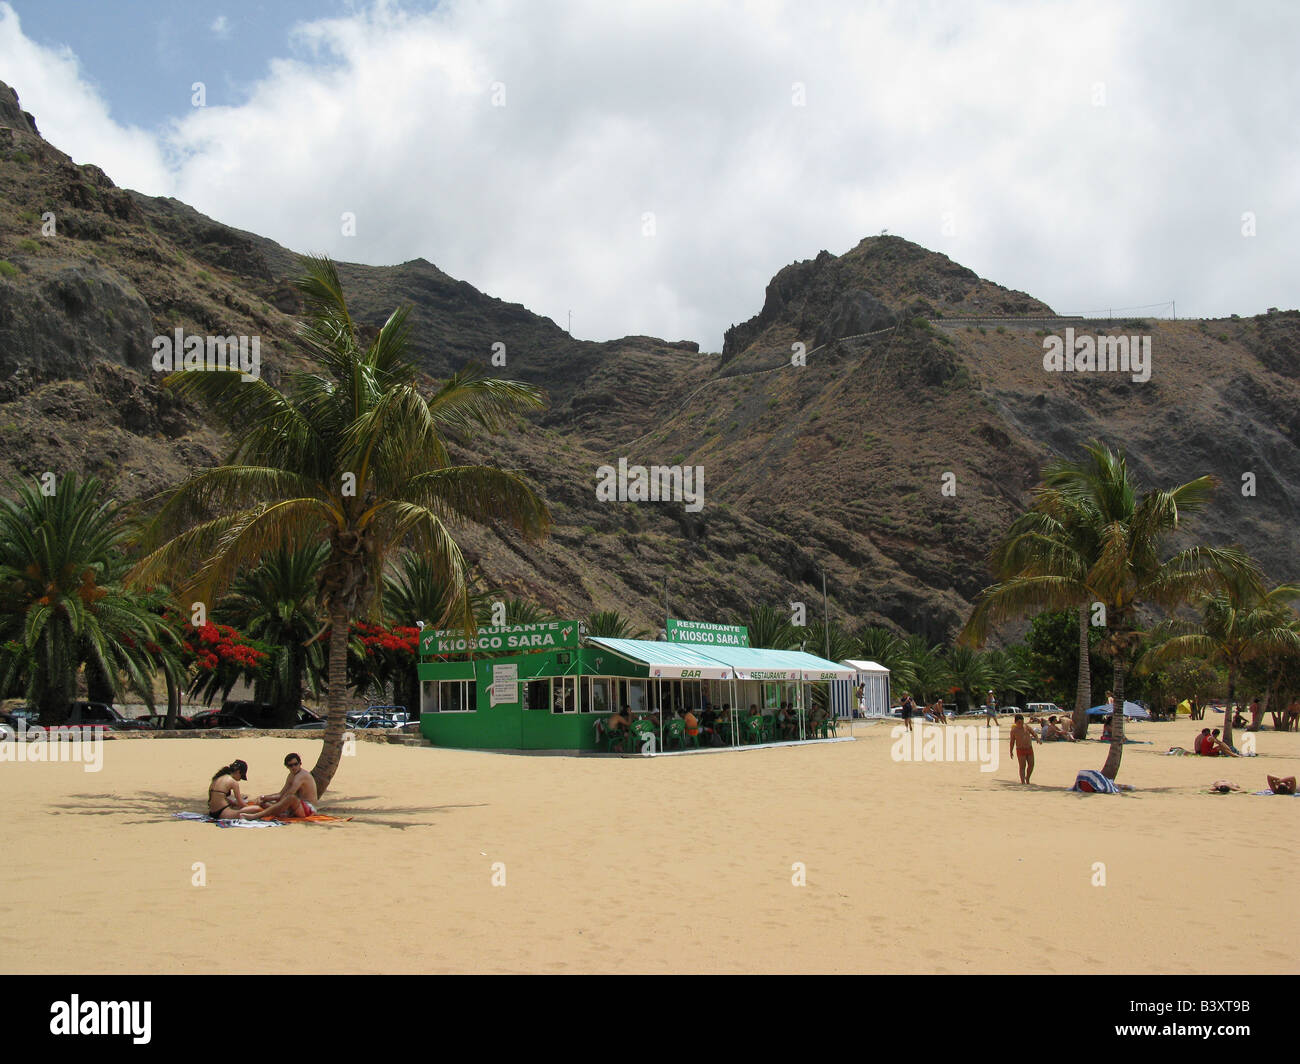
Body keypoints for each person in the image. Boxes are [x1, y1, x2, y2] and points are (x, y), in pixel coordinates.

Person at [246, 752, 320, 819]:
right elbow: (281, 794)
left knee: (291, 798)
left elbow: (289, 794)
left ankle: (257, 815)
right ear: (287, 766)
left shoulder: (301, 776)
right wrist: (264, 797)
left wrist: (276, 804)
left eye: (296, 764)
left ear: (300, 763)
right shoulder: (291, 775)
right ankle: (281, 812)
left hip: (309, 809)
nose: (294, 767)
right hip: (298, 806)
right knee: (263, 803)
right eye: (291, 765)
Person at [1009, 714, 1037, 784]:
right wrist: (1011, 751)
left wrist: (1037, 739)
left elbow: (1033, 733)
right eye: (1019, 722)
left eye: (1022, 722)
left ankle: (1027, 778)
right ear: (1015, 722)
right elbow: (1012, 741)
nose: (1020, 724)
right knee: (1022, 766)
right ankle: (1023, 782)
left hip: (1029, 748)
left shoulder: (1026, 727)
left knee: (1031, 764)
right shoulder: (1014, 730)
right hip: (1020, 749)